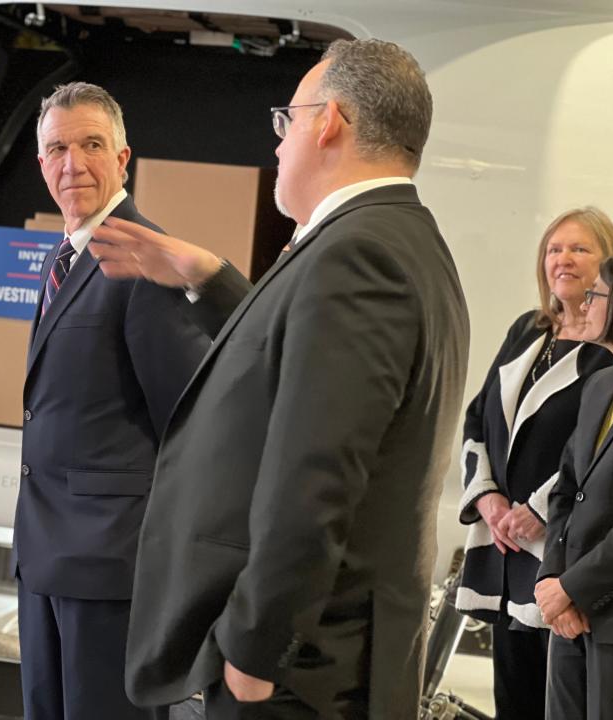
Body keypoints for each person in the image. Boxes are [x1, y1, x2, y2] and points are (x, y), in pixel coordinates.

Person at [89, 39, 469, 719]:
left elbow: (317, 476)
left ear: (328, 123)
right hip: (321, 663)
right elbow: (304, 368)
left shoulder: (358, 256)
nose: (279, 143)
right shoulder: (394, 239)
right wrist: (207, 279)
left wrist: (253, 655)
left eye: (286, 120)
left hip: (300, 677)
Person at [14, 82, 210, 720]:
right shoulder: (64, 255)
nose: (73, 164)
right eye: (57, 149)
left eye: (91, 145)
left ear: (123, 158)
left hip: (110, 566)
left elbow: (186, 422)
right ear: (41, 163)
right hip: (46, 554)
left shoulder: (143, 259)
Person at [455, 207, 613, 720]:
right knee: (512, 693)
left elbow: (582, 460)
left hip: (562, 554)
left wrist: (538, 510)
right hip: (503, 545)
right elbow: (479, 417)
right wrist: (488, 498)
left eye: (579, 248)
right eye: (553, 248)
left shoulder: (605, 353)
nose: (562, 259)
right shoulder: (527, 328)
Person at [536, 255, 613, 720]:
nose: (584, 306)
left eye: (596, 295)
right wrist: (551, 578)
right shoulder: (600, 383)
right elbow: (567, 490)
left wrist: (574, 587)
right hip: (569, 621)